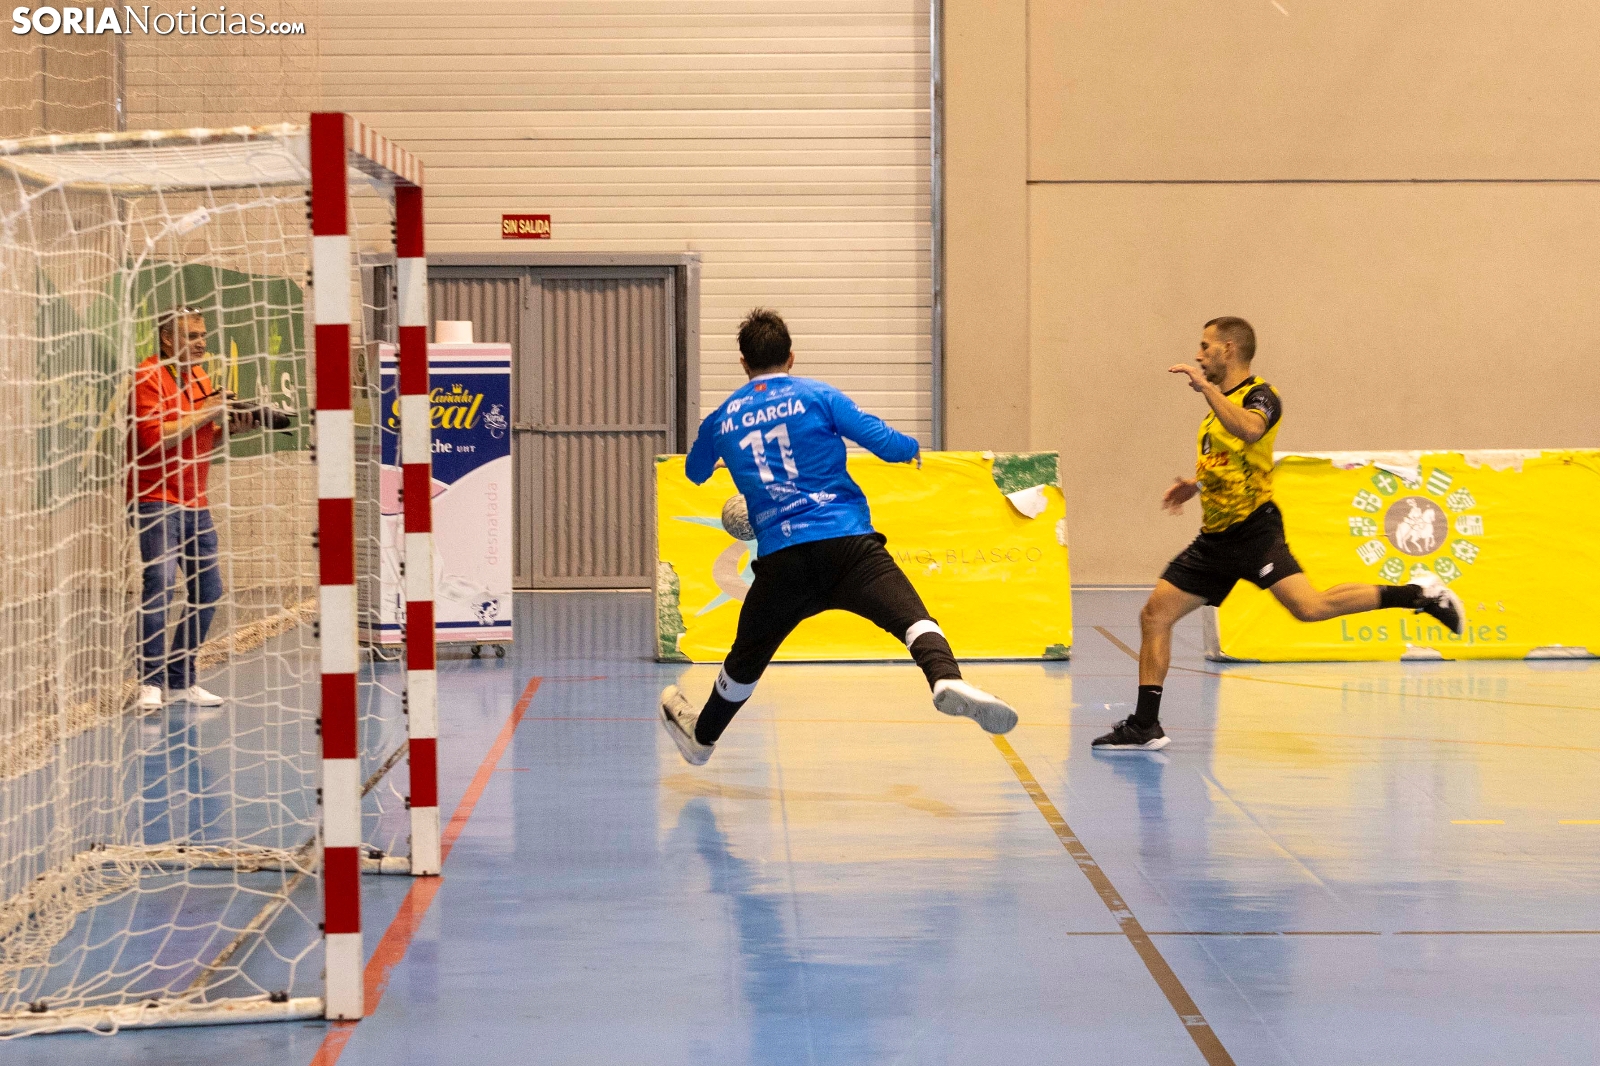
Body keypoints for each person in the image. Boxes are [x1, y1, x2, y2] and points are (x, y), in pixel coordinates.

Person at [659, 308, 1018, 765]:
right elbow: (884, 443)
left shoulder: (721, 419)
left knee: (746, 659)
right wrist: (910, 450)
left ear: (743, 363)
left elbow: (694, 472)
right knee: (912, 618)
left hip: (782, 560)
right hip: (846, 545)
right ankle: (945, 677)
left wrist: (731, 457)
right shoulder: (818, 396)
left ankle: (702, 737)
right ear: (791, 357)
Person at [1092, 317, 1465, 751]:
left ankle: (1421, 594)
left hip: (1254, 530)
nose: (1198, 355)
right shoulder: (1217, 411)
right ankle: (1144, 725)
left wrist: (1206, 389)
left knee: (1310, 608)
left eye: (1206, 346)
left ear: (1229, 349)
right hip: (1215, 539)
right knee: (1155, 616)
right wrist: (1196, 485)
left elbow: (1251, 430)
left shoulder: (1261, 396)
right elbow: (1232, 461)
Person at [128, 308, 254, 710]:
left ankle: (182, 680)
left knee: (209, 588)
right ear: (168, 339)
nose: (201, 342)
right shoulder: (147, 376)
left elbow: (200, 440)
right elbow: (154, 439)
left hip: (194, 500)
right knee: (161, 583)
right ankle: (150, 682)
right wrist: (207, 412)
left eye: (203, 335)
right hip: (155, 498)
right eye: (192, 336)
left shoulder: (199, 377)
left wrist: (229, 429)